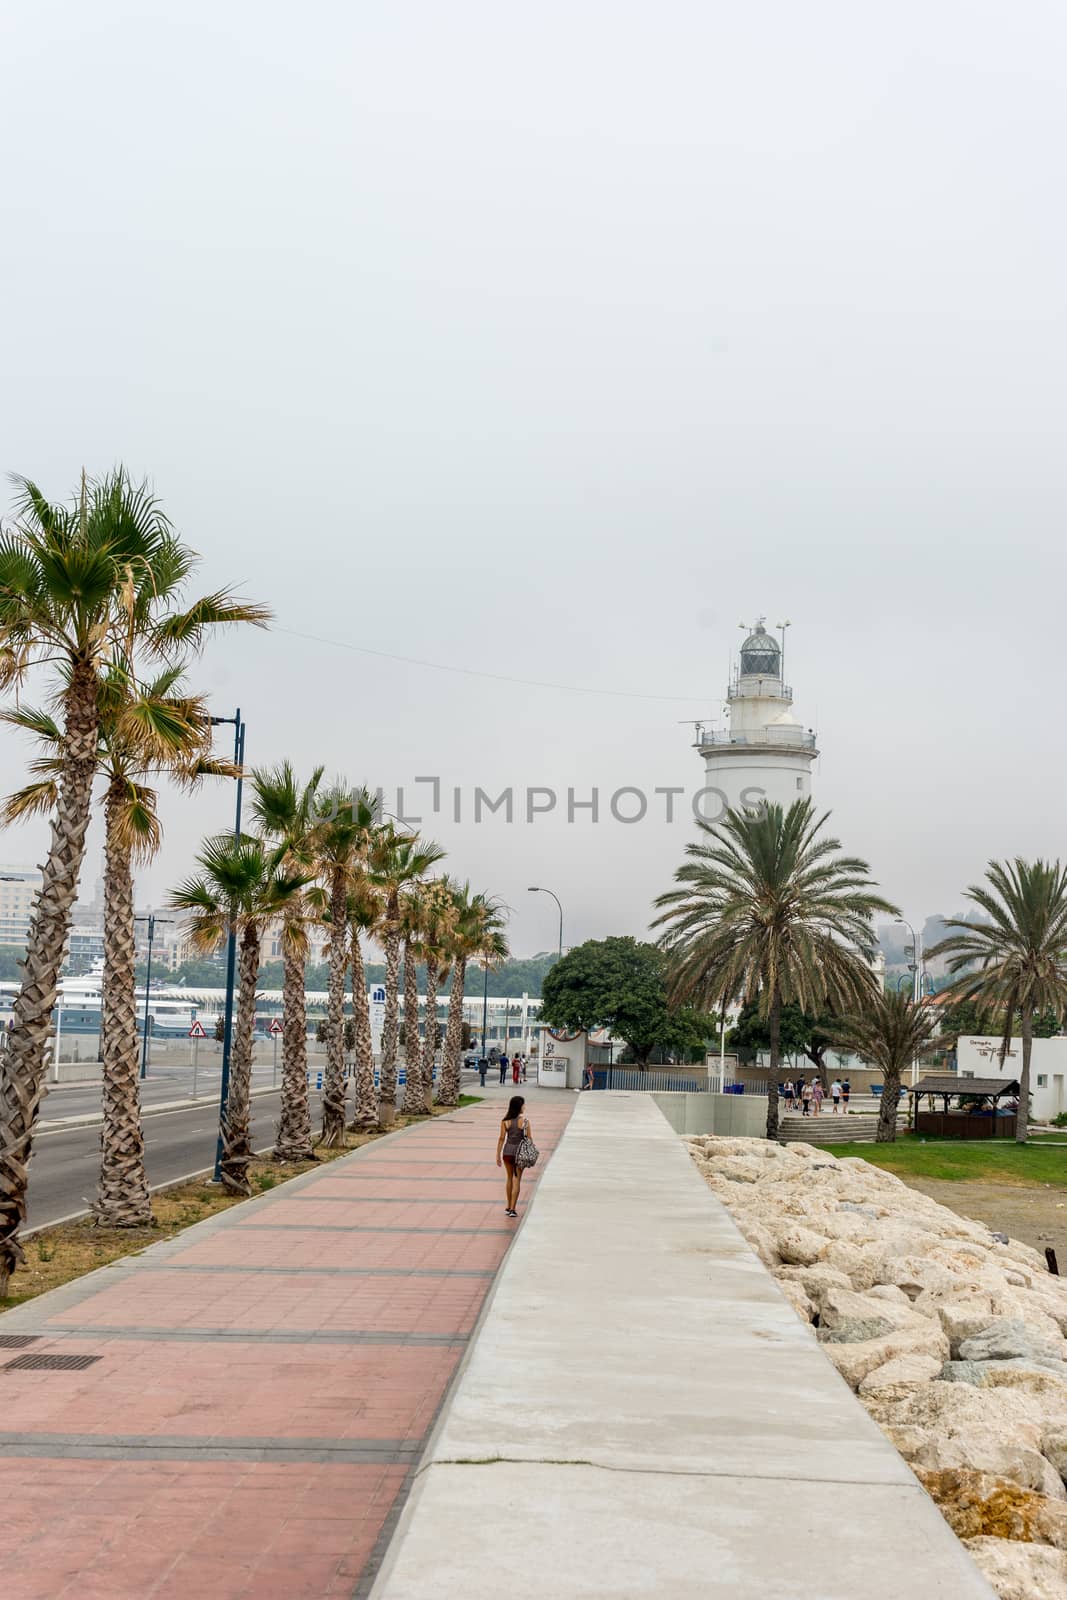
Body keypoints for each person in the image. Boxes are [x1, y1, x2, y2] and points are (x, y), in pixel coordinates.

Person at [496, 1094, 532, 1218]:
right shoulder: (525, 1122)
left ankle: (508, 1205)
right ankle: (513, 1209)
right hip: (520, 1154)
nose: (524, 1107)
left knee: (509, 1178)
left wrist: (498, 1155)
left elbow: (501, 1138)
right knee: (517, 1180)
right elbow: (529, 1139)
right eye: (523, 1104)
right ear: (519, 1106)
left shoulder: (505, 1121)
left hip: (507, 1153)